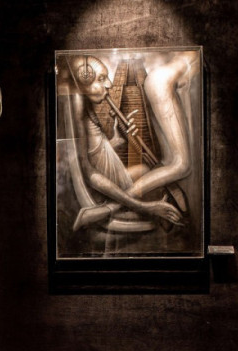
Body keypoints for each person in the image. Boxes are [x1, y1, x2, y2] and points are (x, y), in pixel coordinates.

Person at [62, 53, 194, 232]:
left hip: (110, 177)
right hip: (103, 186)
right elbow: (90, 174)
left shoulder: (84, 104)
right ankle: (109, 208)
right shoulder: (78, 104)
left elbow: (94, 151)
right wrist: (146, 207)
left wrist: (118, 137)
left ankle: (108, 209)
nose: (109, 84)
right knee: (162, 170)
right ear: (84, 79)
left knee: (147, 170)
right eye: (101, 79)